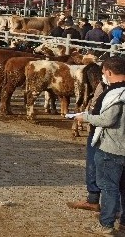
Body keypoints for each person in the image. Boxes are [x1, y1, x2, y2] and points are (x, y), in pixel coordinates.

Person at [74, 57, 125, 235]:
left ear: (109, 72)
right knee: (123, 187)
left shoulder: (115, 94)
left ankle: (107, 225)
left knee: (109, 186)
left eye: (104, 71)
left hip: (111, 146)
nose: (103, 74)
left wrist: (84, 117)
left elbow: (108, 120)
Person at [68, 73, 108, 213]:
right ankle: (94, 199)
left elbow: (99, 110)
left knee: (97, 164)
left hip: (102, 130)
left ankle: (97, 201)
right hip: (104, 131)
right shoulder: (105, 85)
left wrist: (86, 118)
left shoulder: (108, 86)